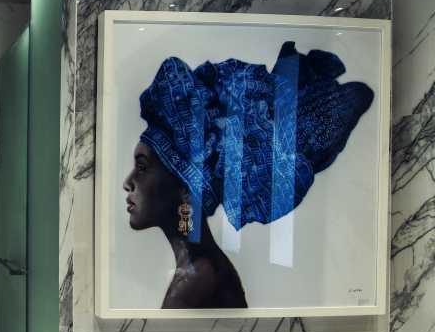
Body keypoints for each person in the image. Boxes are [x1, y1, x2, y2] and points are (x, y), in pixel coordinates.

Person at [125, 42, 374, 310]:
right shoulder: (203, 269)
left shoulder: (194, 282)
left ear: (186, 188)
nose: (127, 183)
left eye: (143, 167)